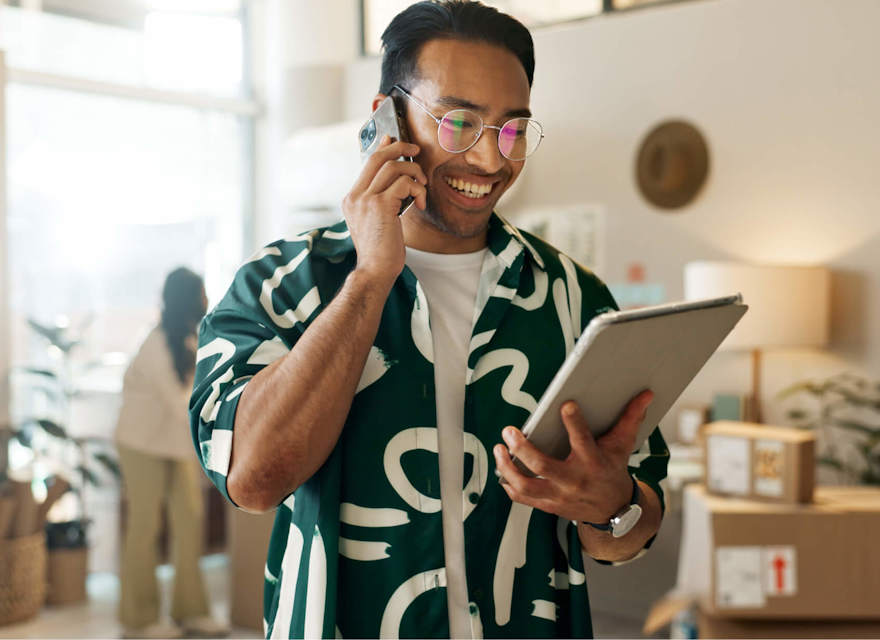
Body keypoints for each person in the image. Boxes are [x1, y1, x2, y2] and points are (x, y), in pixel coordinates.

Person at [190, 2, 669, 638]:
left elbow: (634, 528)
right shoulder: (282, 284)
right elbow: (250, 480)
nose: (491, 161)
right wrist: (368, 280)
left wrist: (612, 507)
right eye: (459, 122)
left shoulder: (576, 299)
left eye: (512, 130)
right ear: (386, 118)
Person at [115, 267, 228, 639]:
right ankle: (141, 619)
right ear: (186, 299)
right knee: (145, 527)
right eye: (201, 293)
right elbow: (183, 406)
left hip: (174, 444)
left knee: (190, 522)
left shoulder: (192, 339)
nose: (207, 300)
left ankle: (191, 610)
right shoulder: (156, 344)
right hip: (141, 444)